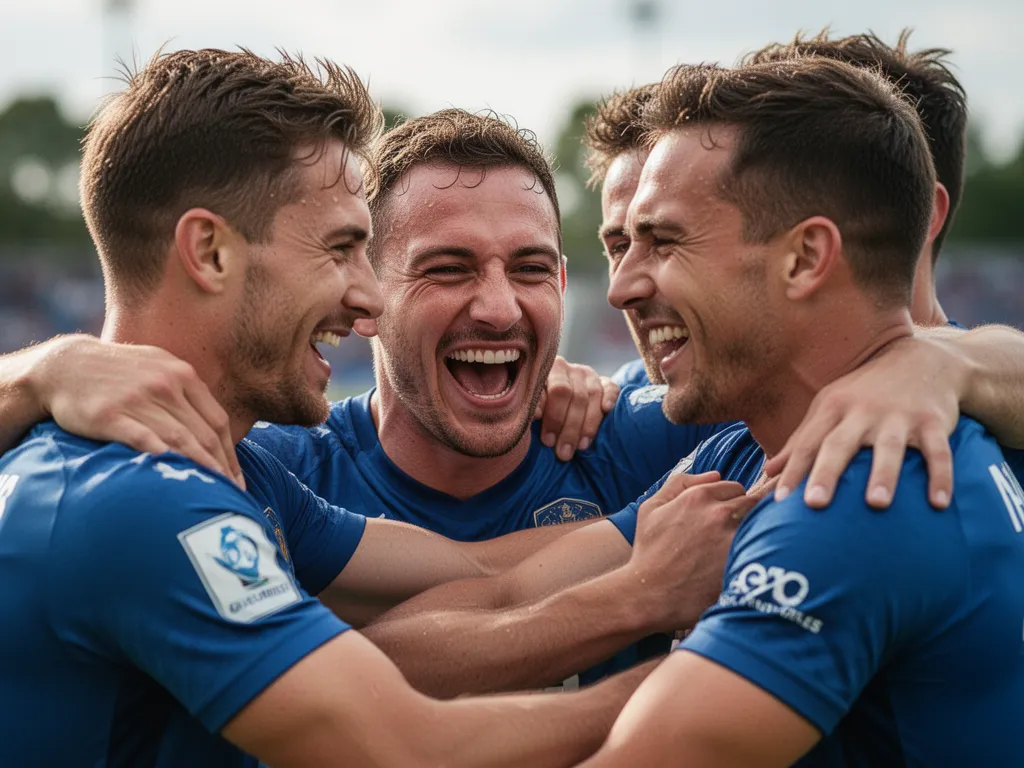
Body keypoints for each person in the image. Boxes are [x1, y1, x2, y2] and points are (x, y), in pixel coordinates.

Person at [0, 48, 649, 768]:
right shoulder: (140, 499)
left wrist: (680, 522)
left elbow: (485, 578)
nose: (367, 297)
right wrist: (722, 669)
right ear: (210, 252)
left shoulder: (241, 475)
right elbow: (405, 744)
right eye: (340, 250)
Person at [580, 58, 1024, 766]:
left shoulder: (862, 491)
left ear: (805, 258)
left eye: (664, 242)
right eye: (620, 245)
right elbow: (500, 586)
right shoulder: (754, 441)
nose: (622, 287)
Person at [584, 31, 1024, 507]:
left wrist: (937, 364)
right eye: (621, 243)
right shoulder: (707, 389)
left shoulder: (981, 412)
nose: (628, 282)